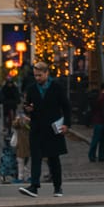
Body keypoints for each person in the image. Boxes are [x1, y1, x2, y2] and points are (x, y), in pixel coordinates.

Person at [19, 60, 69, 197]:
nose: (37, 78)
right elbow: (27, 106)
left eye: (40, 75)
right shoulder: (32, 88)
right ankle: (34, 186)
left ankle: (58, 187)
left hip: (53, 128)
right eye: (35, 75)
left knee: (54, 158)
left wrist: (66, 124)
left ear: (47, 73)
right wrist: (28, 109)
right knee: (36, 157)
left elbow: (66, 106)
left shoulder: (56, 87)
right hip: (37, 127)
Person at [87, 81, 104, 163]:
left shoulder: (99, 96)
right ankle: (97, 155)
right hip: (101, 120)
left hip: (98, 120)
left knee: (98, 139)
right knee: (99, 139)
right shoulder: (103, 97)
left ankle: (95, 155)